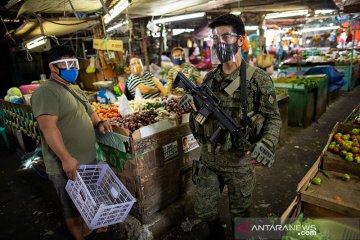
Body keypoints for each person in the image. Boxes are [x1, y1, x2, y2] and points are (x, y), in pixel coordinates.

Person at [180, 14, 281, 239]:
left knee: (240, 215)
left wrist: (267, 142)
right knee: (205, 212)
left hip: (239, 163)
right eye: (216, 38)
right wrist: (189, 102)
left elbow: (273, 118)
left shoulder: (259, 79)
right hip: (209, 160)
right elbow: (198, 112)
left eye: (225, 36)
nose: (220, 43)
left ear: (240, 40)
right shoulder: (209, 79)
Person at [31, 45, 113, 240]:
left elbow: (89, 112)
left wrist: (99, 122)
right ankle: (79, 236)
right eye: (67, 64)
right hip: (66, 164)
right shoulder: (46, 92)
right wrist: (66, 159)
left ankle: (91, 226)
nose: (73, 68)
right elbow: (48, 128)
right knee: (72, 207)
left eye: (74, 63)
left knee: (87, 199)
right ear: (53, 67)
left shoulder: (74, 88)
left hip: (87, 159)